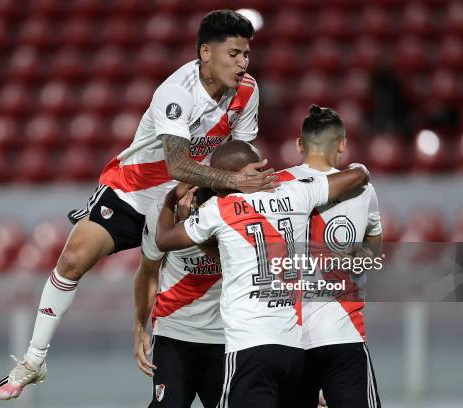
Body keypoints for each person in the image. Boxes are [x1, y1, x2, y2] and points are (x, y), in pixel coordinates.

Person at [0, 10, 278, 400]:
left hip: (188, 193)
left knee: (236, 259)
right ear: (205, 52)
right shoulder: (176, 92)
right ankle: (34, 359)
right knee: (74, 257)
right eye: (234, 54)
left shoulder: (248, 90)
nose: (243, 63)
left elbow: (238, 156)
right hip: (133, 191)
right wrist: (234, 182)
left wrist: (236, 191)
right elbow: (178, 162)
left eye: (246, 54)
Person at [155, 140, 370, 408]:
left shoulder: (219, 210)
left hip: (249, 347)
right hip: (293, 350)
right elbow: (358, 176)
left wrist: (168, 203)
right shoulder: (295, 192)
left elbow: (163, 240)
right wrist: (359, 166)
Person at [277, 105, 383, 407]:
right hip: (343, 333)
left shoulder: (274, 186)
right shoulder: (363, 189)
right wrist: (363, 256)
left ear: (300, 144)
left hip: (287, 335)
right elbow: (374, 241)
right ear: (343, 144)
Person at [134, 186, 224, 408]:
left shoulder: (241, 209)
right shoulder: (163, 211)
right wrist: (139, 325)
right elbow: (148, 270)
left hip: (229, 336)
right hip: (175, 333)